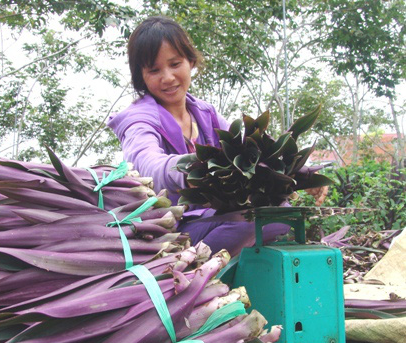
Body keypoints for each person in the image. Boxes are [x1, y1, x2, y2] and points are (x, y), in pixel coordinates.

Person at [107, 16, 317, 255]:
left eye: (175, 64)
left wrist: (302, 174)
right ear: (141, 76)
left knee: (280, 212)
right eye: (154, 70)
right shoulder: (137, 120)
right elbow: (145, 164)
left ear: (190, 61)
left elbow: (250, 154)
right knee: (250, 222)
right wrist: (190, 171)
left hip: (213, 221)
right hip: (169, 233)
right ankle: (193, 273)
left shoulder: (206, 115)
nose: (167, 77)